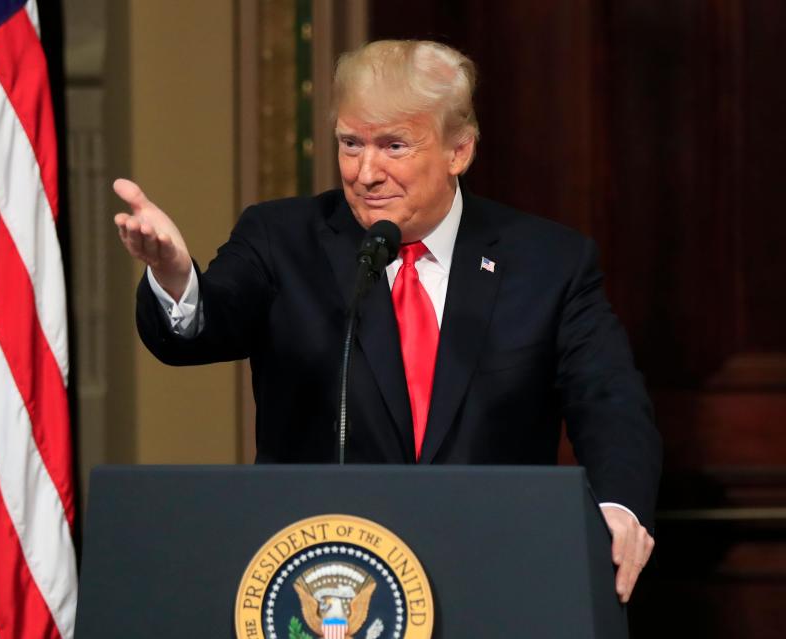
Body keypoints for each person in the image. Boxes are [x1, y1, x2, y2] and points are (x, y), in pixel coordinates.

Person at [113, 40, 661, 603]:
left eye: (394, 146)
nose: (366, 173)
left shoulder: (548, 262)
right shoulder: (282, 239)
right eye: (351, 144)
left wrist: (617, 509)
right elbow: (206, 325)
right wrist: (176, 274)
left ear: (459, 151)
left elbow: (610, 401)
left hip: (494, 576)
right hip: (331, 581)